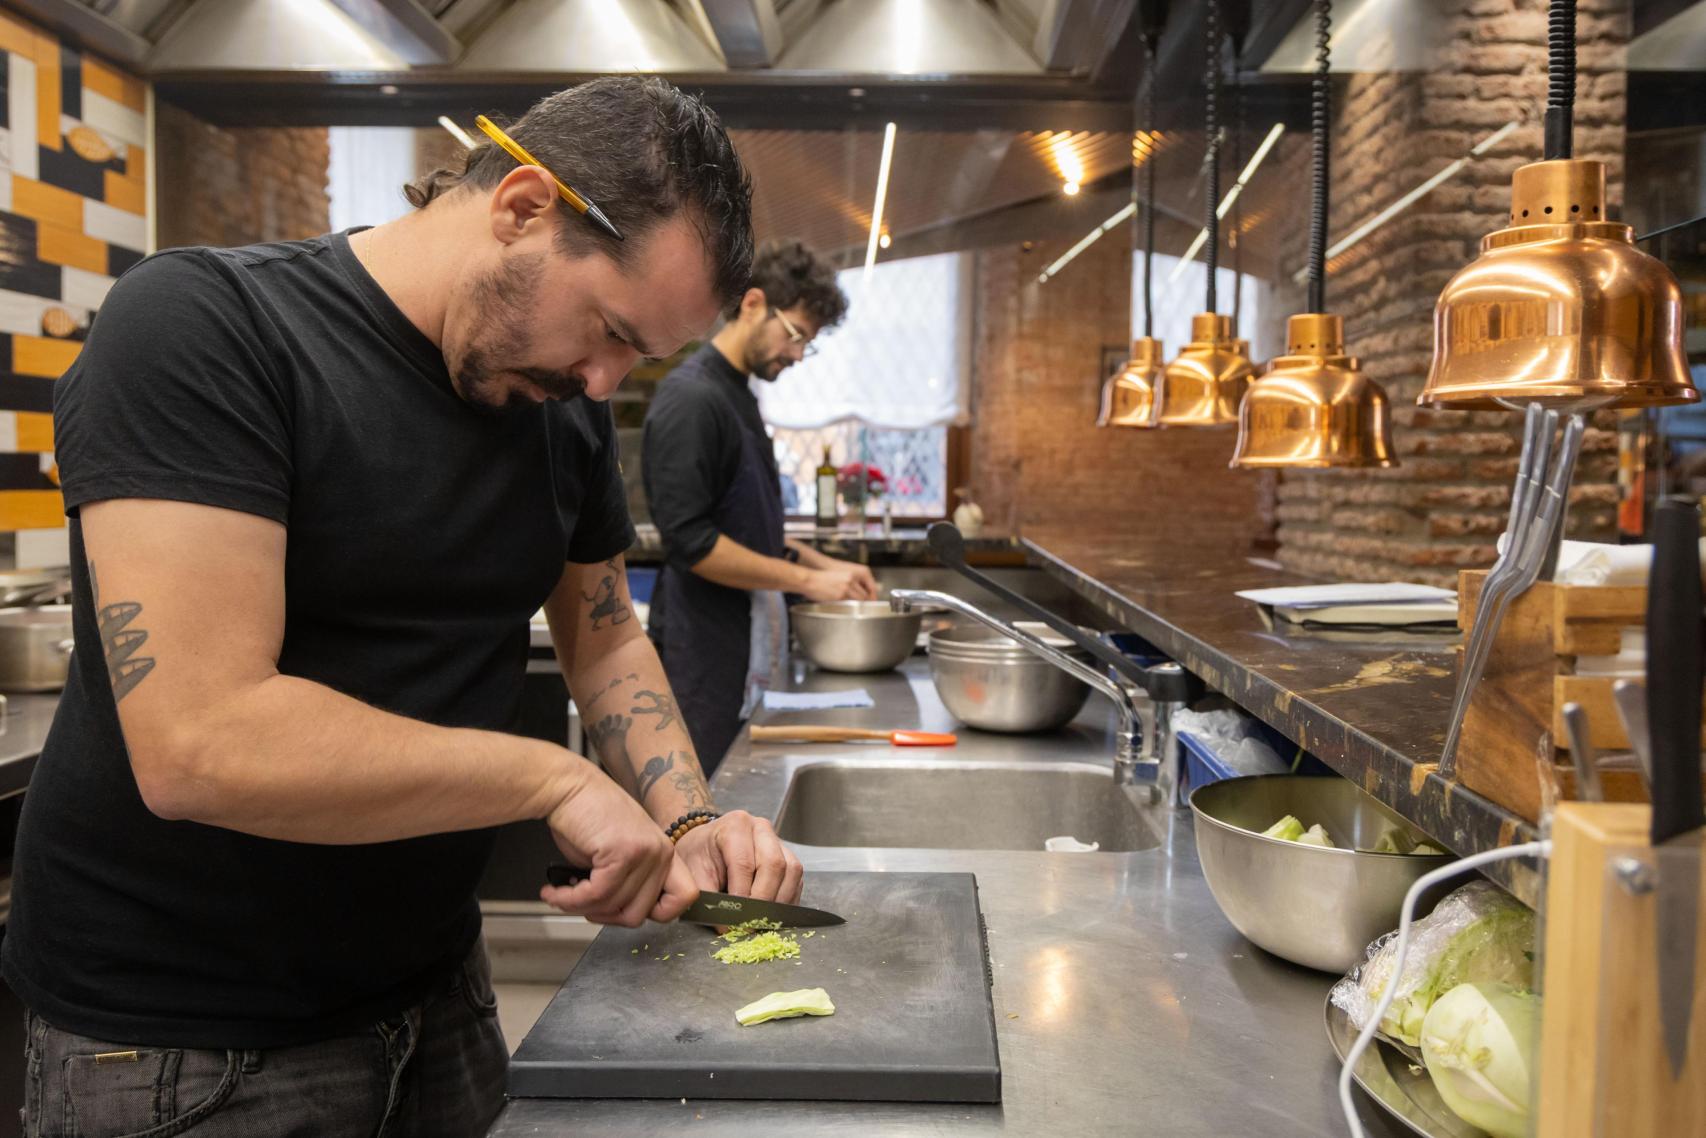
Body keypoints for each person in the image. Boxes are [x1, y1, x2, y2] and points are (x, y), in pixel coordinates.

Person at [3, 77, 803, 1137]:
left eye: (637, 357)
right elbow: (197, 739)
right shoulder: (205, 326)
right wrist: (549, 776)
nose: (602, 380)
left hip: (435, 993)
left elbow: (604, 636)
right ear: (521, 206)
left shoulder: (553, 405)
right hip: (184, 1043)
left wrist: (688, 819)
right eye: (606, 329)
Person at [643, 239, 876, 774]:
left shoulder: (736, 395)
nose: (797, 355)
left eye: (807, 344)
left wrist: (824, 564)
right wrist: (810, 584)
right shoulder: (693, 400)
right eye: (795, 335)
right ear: (752, 304)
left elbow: (749, 526)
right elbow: (692, 543)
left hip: (733, 650)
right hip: (699, 659)